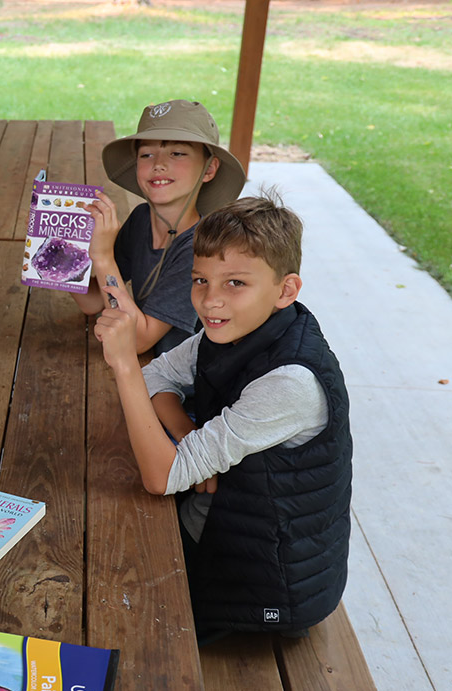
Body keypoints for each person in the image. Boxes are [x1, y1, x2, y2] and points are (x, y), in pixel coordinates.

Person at [94, 194, 352, 642]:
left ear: (286, 290)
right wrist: (188, 433)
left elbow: (163, 474)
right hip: (225, 523)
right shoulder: (230, 329)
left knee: (108, 606)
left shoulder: (290, 381)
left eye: (235, 283)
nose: (210, 301)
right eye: (200, 280)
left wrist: (122, 365)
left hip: (264, 587)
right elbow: (157, 376)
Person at [77, 99, 246, 357]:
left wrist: (101, 256)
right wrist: (59, 256)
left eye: (177, 153)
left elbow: (135, 341)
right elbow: (93, 301)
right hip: (151, 363)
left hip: (186, 383)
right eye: (146, 154)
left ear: (209, 168)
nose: (158, 164)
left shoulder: (202, 248)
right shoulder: (141, 219)